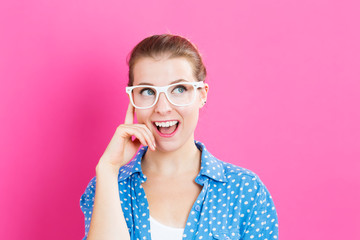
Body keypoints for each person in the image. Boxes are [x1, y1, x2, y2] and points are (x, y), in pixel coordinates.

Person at [80, 34, 278, 240]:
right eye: (147, 91)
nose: (163, 108)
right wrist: (108, 168)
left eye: (179, 89)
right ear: (132, 99)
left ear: (202, 95)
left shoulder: (245, 190)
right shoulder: (108, 186)